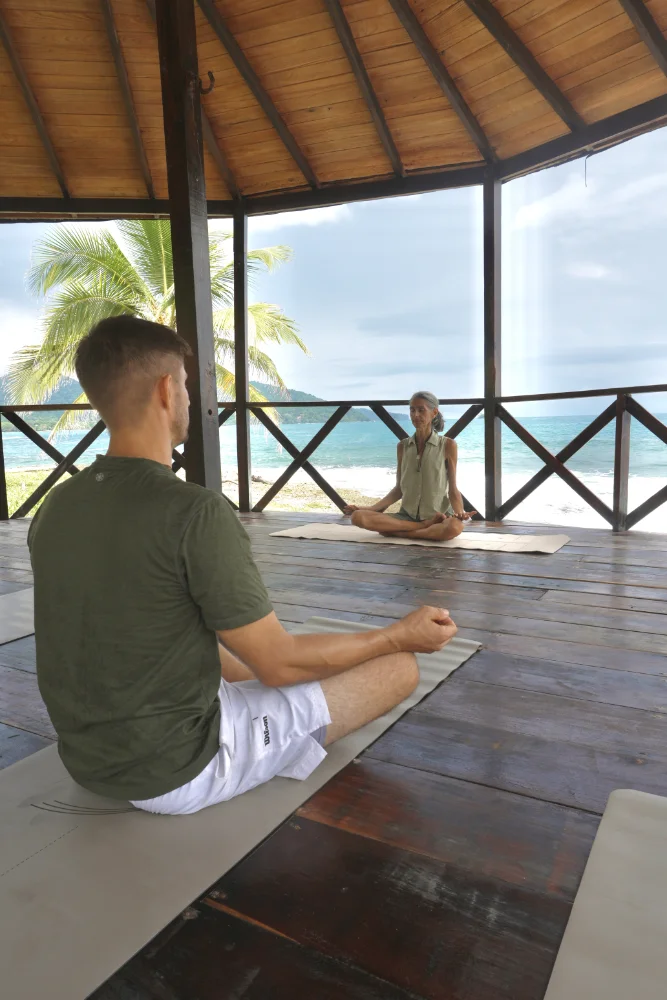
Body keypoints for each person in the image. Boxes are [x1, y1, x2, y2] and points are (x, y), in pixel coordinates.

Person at [27, 317, 458, 816]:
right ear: (168, 390)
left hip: (87, 760)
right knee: (395, 668)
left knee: (230, 642)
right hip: (178, 768)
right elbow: (278, 665)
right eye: (187, 383)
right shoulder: (193, 511)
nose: (189, 396)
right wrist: (398, 636)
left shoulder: (55, 507)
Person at [344, 391, 476, 541]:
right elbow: (398, 489)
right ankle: (423, 527)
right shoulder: (403, 446)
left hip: (440, 516)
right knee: (358, 517)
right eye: (412, 410)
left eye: (421, 410)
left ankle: (400, 532)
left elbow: (453, 488)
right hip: (407, 516)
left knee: (454, 527)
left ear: (434, 412)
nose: (416, 415)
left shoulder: (447, 445)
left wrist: (460, 512)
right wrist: (371, 509)